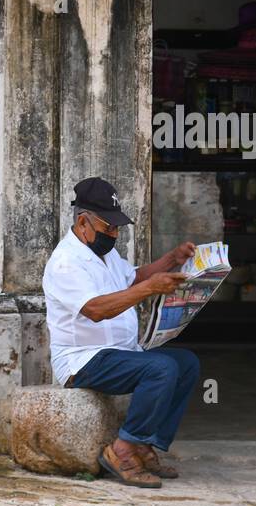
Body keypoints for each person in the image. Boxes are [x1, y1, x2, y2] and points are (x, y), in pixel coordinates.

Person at [42, 176, 200, 489]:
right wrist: (149, 289)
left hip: (120, 353)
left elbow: (133, 278)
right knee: (161, 368)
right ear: (84, 222)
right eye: (108, 228)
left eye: (117, 228)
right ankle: (123, 450)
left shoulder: (105, 253)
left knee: (186, 364)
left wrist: (173, 259)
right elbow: (96, 310)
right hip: (83, 360)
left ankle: (144, 444)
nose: (114, 234)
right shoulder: (65, 263)